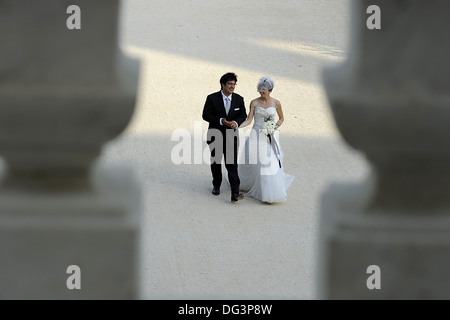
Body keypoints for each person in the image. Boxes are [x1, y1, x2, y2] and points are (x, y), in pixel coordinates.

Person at [238, 76, 294, 203]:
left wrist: (274, 126)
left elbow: (281, 118)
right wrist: (236, 126)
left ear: (270, 90)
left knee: (269, 163)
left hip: (269, 137)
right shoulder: (254, 102)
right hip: (255, 135)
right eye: (259, 90)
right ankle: (251, 184)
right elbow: (248, 120)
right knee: (253, 161)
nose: (261, 92)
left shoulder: (276, 103)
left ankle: (269, 193)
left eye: (263, 90)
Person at [202, 72, 248, 202]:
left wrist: (236, 123)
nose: (232, 86)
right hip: (215, 134)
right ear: (223, 84)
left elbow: (243, 115)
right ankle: (216, 185)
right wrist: (221, 120)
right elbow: (206, 115)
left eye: (234, 84)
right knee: (216, 162)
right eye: (230, 84)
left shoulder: (239, 99)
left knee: (232, 164)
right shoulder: (212, 98)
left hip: (231, 136)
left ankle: (235, 192)